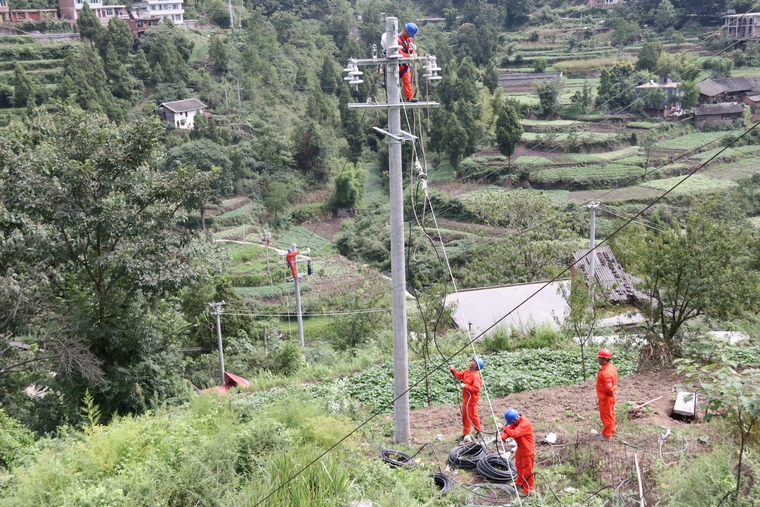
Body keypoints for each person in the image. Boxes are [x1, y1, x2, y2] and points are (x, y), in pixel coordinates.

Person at [501, 408, 535, 496]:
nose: (511, 424)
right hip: (520, 448)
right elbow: (511, 428)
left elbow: (515, 433)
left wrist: (503, 428)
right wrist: (503, 436)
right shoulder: (516, 421)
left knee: (528, 470)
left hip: (527, 450)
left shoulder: (525, 424)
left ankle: (528, 490)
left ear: (516, 419)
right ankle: (519, 482)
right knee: (519, 466)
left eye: (512, 422)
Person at [449, 357, 483, 439]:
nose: (470, 362)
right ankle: (479, 431)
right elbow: (459, 375)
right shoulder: (467, 371)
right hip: (467, 398)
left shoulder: (475, 376)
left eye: (473, 361)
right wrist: (453, 370)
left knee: (467, 417)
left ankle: (466, 435)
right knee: (474, 416)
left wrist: (465, 386)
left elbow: (477, 389)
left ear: (476, 366)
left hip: (471, 400)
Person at [596, 348, 618, 439]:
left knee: (606, 417)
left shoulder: (606, 373)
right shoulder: (610, 367)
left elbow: (609, 388)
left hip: (606, 398)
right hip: (608, 397)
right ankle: (611, 430)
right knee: (611, 414)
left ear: (603, 359)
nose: (598, 359)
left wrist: (611, 393)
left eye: (599, 358)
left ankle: (607, 435)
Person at [398, 22, 418, 101]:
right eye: (409, 34)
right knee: (393, 84)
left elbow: (412, 50)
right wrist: (409, 56)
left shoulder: (409, 39)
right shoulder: (397, 40)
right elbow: (399, 53)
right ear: (405, 31)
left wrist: (413, 53)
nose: (410, 36)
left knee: (407, 81)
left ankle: (409, 97)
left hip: (404, 65)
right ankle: (391, 99)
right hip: (396, 65)